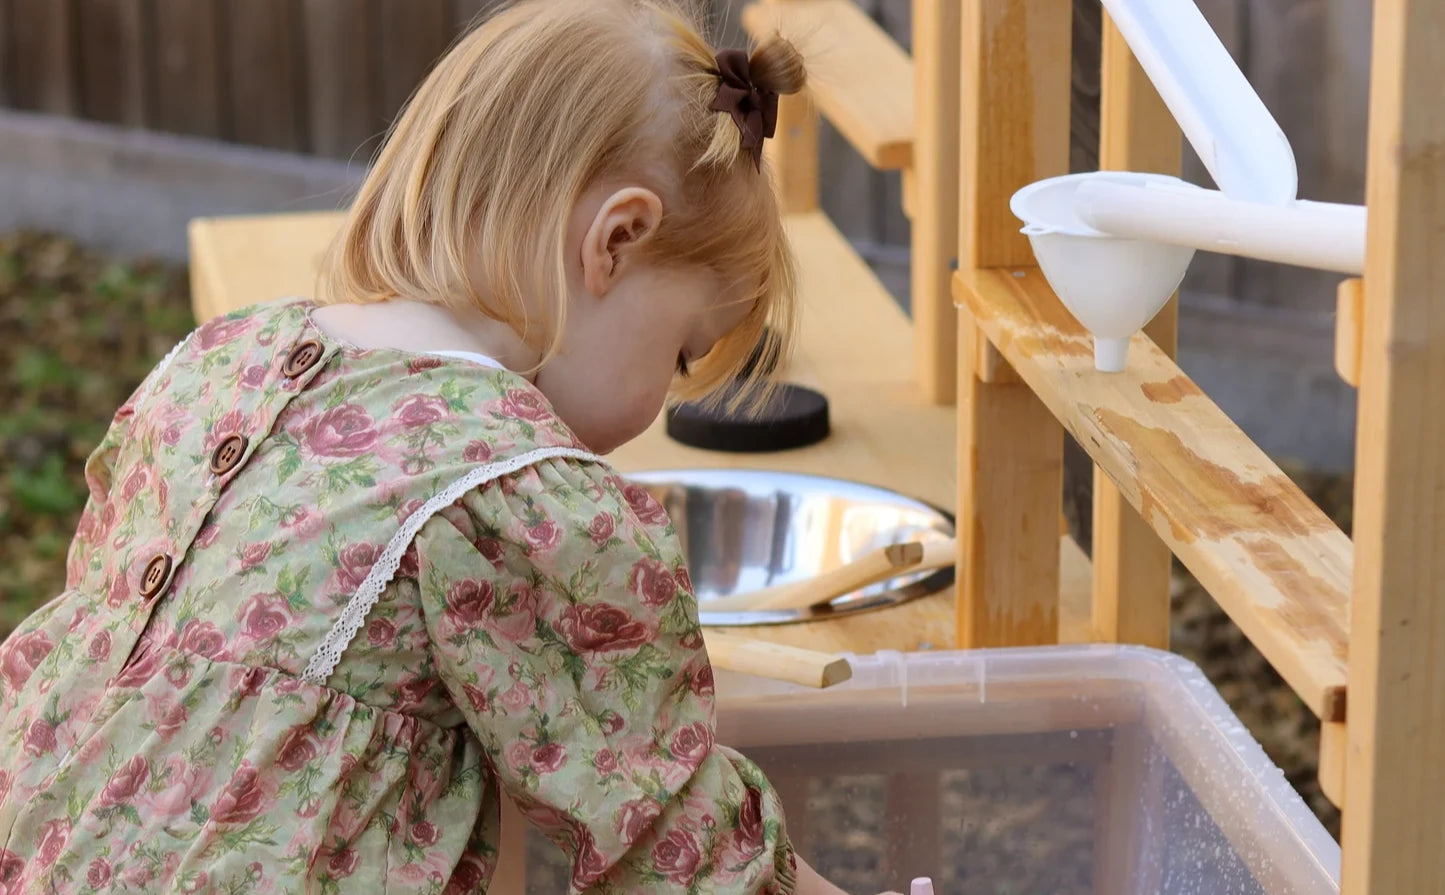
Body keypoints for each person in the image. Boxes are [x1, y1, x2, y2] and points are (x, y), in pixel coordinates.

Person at [0, 1, 886, 892]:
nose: (661, 400)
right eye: (682, 350)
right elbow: (671, 834)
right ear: (616, 239)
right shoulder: (519, 496)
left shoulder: (215, 362)